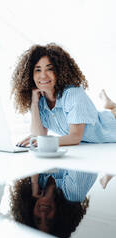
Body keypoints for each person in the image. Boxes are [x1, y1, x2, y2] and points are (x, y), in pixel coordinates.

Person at [11, 43, 116, 188]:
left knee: (110, 116)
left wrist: (43, 142)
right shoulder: (40, 101)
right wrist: (34, 103)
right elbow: (38, 135)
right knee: (103, 115)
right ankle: (109, 104)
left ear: (59, 71)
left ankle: (110, 105)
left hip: (111, 125)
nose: (43, 75)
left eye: (50, 69)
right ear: (30, 74)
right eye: (37, 70)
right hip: (99, 122)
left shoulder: (73, 94)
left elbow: (75, 137)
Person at [0, 169, 97, 238]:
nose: (43, 214)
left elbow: (32, 147)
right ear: (60, 218)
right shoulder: (73, 193)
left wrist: (34, 181)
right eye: (49, 221)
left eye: (38, 219)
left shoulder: (38, 182)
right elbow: (80, 150)